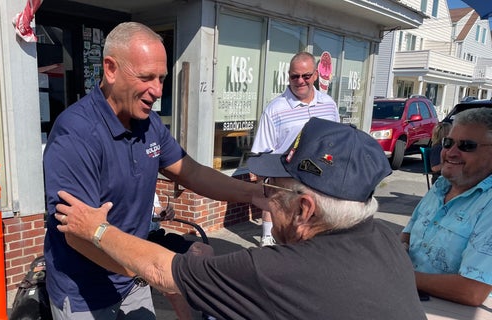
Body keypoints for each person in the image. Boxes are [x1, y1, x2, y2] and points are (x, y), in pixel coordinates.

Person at [54, 117, 427, 320]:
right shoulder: (384, 242)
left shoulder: (277, 270)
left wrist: (96, 228)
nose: (265, 200)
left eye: (272, 191)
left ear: (304, 210)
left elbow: (162, 272)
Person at [42, 21, 267, 319]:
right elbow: (76, 235)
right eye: (146, 77)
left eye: (161, 78)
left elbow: (191, 172)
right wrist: (157, 269)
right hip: (87, 294)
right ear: (110, 69)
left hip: (134, 281)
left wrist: (254, 193)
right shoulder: (76, 134)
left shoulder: (148, 123)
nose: (158, 90)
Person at [401, 107, 492, 306]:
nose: (451, 152)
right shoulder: (441, 186)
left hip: (456, 312)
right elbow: (407, 237)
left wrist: (401, 276)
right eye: (447, 142)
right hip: (410, 299)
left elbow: (472, 291)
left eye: (467, 146)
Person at [251, 52, 339, 246]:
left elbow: (336, 141)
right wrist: (262, 182)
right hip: (285, 179)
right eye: (294, 76)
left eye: (306, 76)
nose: (300, 81)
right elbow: (263, 150)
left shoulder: (329, 105)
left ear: (315, 75)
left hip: (319, 181)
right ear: (288, 76)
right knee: (286, 240)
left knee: (312, 236)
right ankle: (268, 237)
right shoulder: (275, 108)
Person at [147, 193, 213, 320]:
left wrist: (165, 212)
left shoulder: (147, 182)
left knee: (205, 251)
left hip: (157, 235)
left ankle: (209, 310)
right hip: (139, 238)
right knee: (171, 275)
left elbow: (156, 208)